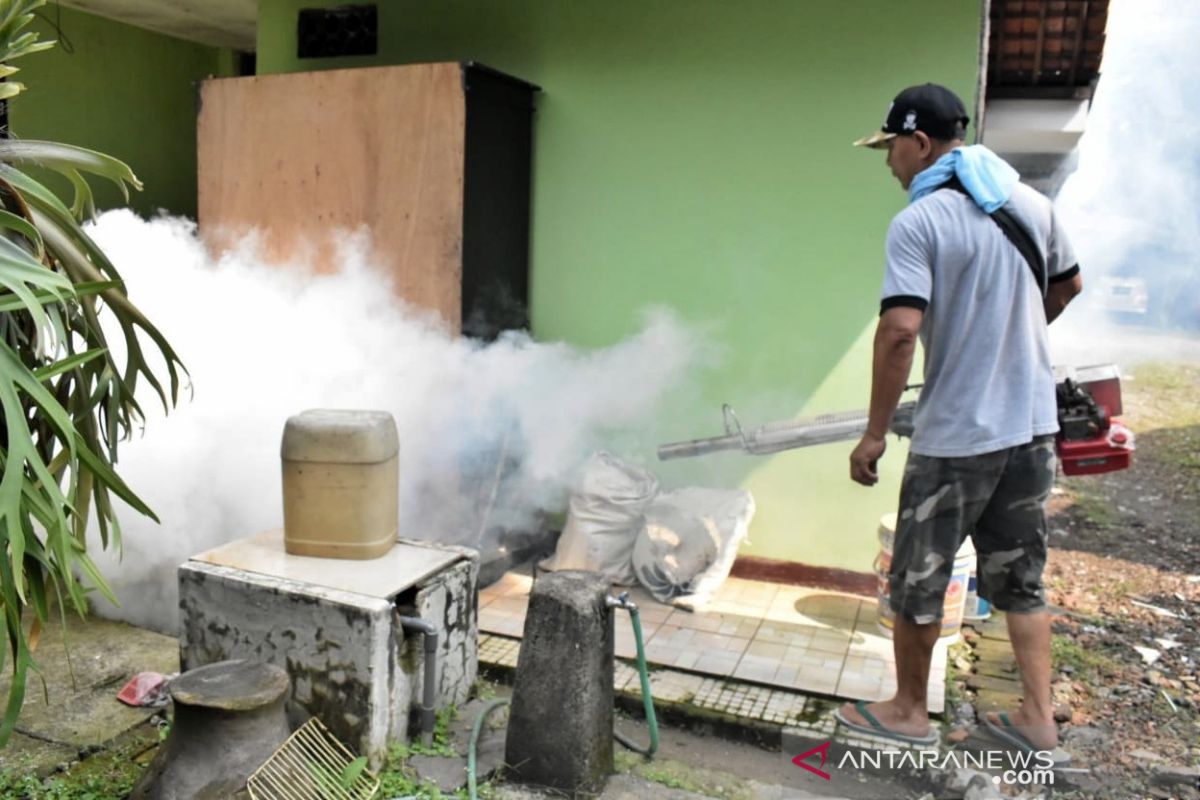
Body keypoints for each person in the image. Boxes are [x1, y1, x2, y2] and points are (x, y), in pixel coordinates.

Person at [834, 84, 1083, 757]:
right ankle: (1037, 718)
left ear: (919, 142)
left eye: (891, 150)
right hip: (1031, 428)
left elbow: (898, 333)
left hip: (957, 437)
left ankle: (910, 711)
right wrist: (1010, 344)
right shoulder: (1032, 205)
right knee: (1021, 578)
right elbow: (1067, 286)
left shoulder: (920, 222)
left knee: (919, 574)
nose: (890, 165)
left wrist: (875, 432)